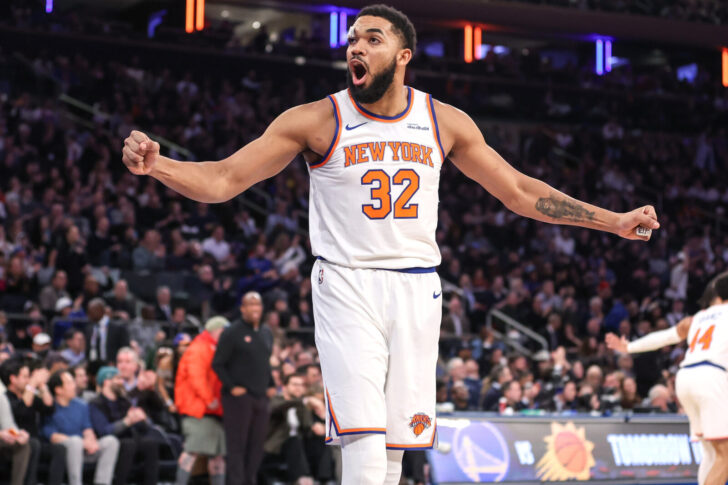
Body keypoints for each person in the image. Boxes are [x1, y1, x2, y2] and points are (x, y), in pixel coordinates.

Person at [122, 5, 660, 483]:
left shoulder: (442, 121)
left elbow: (518, 191)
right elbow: (223, 180)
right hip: (346, 281)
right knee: (364, 442)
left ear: (403, 56)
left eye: (372, 39)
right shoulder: (316, 119)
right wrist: (159, 166)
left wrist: (612, 221)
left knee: (396, 449)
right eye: (352, 39)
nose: (356, 47)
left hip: (418, 287)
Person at [605, 271, 728, 485]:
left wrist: (629, 347)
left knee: (710, 452)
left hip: (686, 376)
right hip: (711, 376)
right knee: (725, 454)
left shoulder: (696, 318)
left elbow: (666, 337)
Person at [212, 293, 272, 485]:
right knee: (237, 446)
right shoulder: (232, 332)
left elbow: (265, 362)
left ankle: (250, 480)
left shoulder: (266, 332)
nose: (255, 308)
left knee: (257, 446)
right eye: (250, 304)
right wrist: (232, 387)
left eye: (258, 304)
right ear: (242, 308)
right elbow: (218, 364)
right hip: (238, 398)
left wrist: (271, 385)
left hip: (261, 397)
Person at [174, 316, 228, 485]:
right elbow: (196, 376)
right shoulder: (199, 347)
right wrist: (209, 399)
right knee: (192, 451)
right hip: (198, 410)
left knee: (218, 455)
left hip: (213, 411)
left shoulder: (213, 347)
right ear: (217, 330)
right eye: (224, 331)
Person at [42, 370, 119, 485]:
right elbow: (52, 436)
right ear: (58, 390)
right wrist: (82, 442)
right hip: (65, 450)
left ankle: (102, 482)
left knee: (111, 441)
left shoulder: (81, 405)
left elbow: (87, 428)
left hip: (84, 450)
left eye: (73, 382)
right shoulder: (50, 408)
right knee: (75, 441)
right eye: (69, 383)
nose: (74, 386)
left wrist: (91, 442)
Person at [89, 367, 159, 485]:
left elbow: (144, 428)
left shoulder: (124, 401)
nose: (121, 382)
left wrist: (143, 419)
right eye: (117, 379)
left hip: (129, 438)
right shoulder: (96, 403)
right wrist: (126, 422)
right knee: (128, 444)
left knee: (150, 443)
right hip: (110, 442)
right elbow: (103, 431)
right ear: (106, 382)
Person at [0, 358, 65, 485]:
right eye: (25, 377)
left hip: (27, 438)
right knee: (33, 444)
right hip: (15, 442)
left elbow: (49, 408)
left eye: (29, 376)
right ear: (13, 379)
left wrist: (42, 386)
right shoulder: (6, 397)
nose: (28, 380)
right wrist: (32, 384)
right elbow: (22, 409)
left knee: (59, 449)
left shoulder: (29, 395)